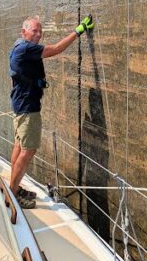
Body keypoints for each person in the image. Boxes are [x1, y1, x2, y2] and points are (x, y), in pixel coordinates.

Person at [8, 14, 94, 208]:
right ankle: (12, 194)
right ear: (24, 31)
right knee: (28, 150)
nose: (39, 34)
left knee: (19, 146)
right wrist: (78, 31)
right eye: (35, 31)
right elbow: (56, 49)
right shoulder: (27, 48)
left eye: (40, 31)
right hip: (28, 107)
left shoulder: (17, 47)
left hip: (20, 104)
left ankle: (13, 187)